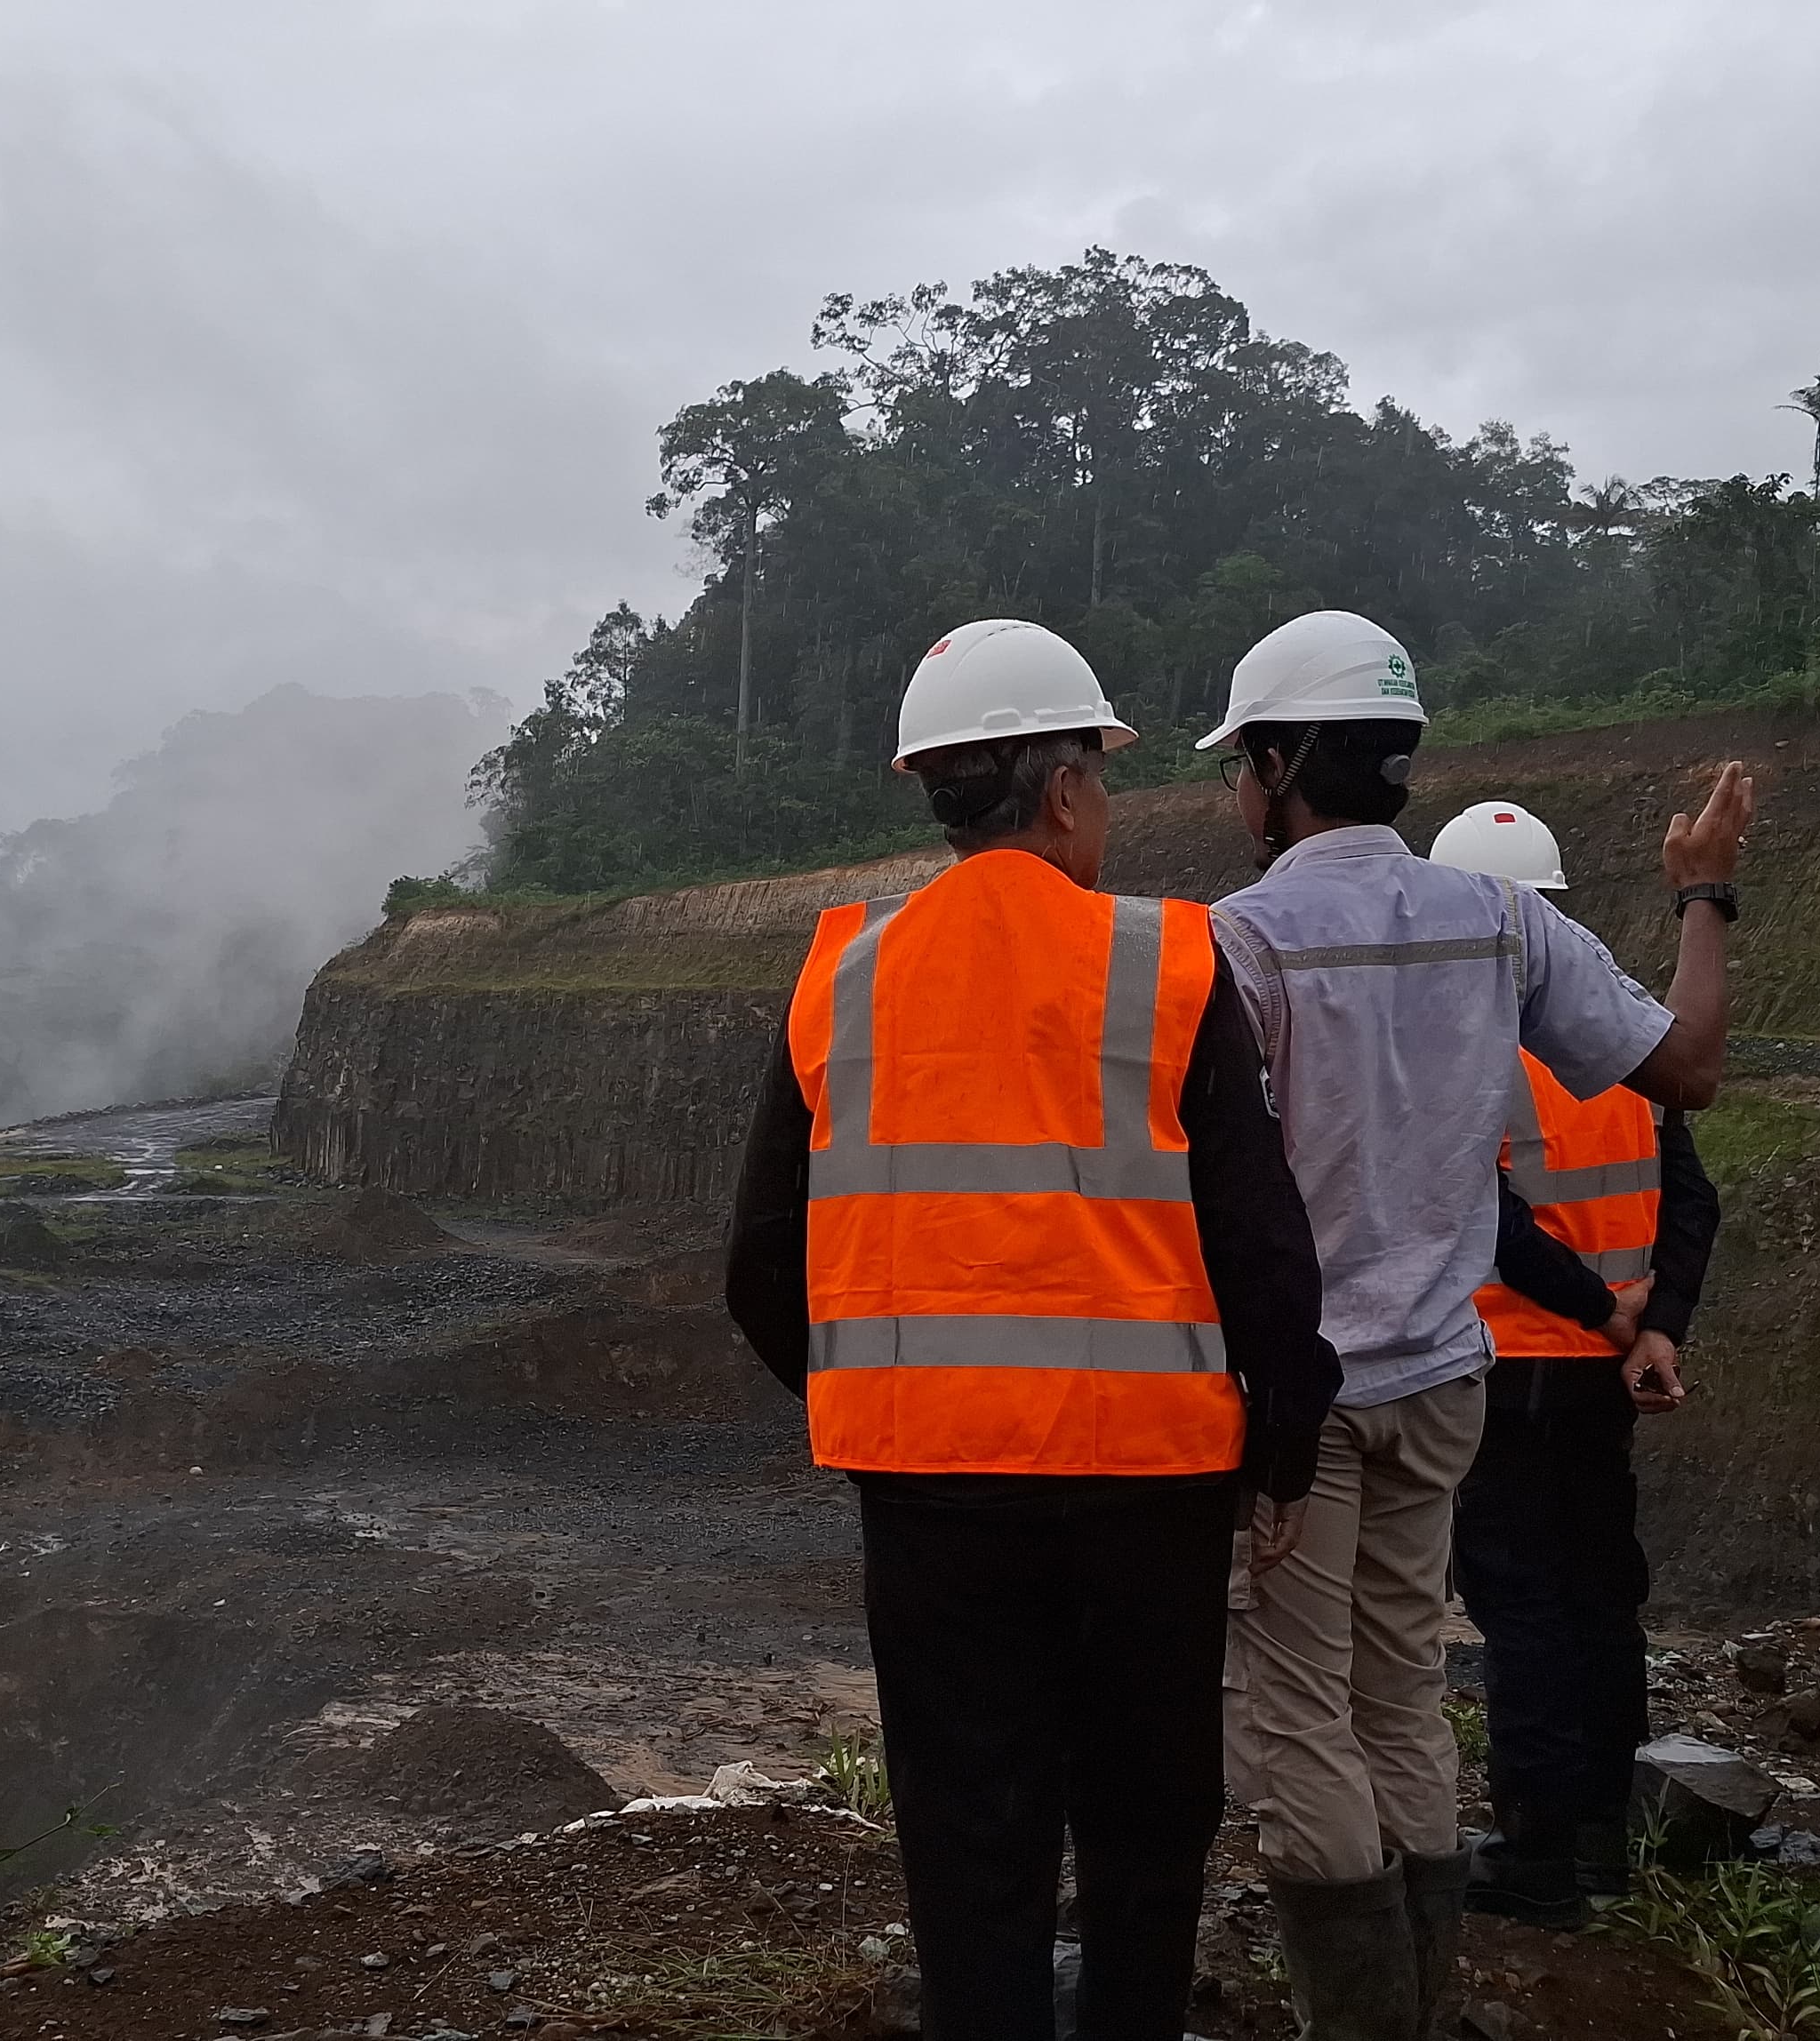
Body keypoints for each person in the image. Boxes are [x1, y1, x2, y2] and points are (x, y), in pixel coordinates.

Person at [722, 619, 1343, 2041]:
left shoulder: (847, 970)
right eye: (1106, 784)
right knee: (1145, 1813)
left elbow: (764, 1262)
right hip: (1149, 1485)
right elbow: (1259, 1234)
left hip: (930, 1488)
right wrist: (1284, 1443)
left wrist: (875, 1402)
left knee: (966, 1821)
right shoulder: (1168, 961)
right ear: (1066, 791)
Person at [1193, 612, 1749, 2041]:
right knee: (1400, 1686)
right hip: (1448, 1380)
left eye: (1239, 767)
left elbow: (1206, 1186)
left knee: (1298, 1711)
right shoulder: (1503, 920)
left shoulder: (1236, 945)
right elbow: (1685, 1067)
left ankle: (1366, 2022)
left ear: (1273, 764)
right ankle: (1429, 2007)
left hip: (1300, 1396)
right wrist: (1705, 898)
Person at [1422, 799, 1724, 1932]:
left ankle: (1539, 1851)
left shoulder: (1473, 1048)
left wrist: (1606, 1313)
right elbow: (1691, 1198)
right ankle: (1603, 1831)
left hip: (1507, 1365)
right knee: (1602, 1594)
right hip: (1604, 1375)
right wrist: (1657, 1328)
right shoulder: (1624, 1037)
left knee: (1525, 1609)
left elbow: (1486, 1217)